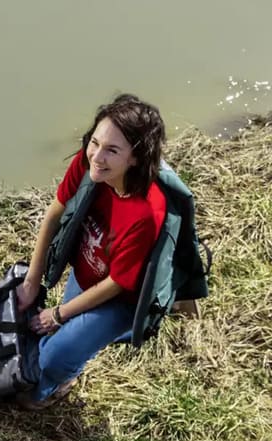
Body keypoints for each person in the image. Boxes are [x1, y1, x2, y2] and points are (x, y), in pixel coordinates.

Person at [15, 94, 166, 409]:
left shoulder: (146, 213)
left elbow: (117, 283)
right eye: (95, 143)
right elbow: (54, 214)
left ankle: (58, 383)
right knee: (60, 334)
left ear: (135, 159)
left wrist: (59, 313)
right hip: (88, 272)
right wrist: (32, 281)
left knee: (54, 357)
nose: (97, 156)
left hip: (122, 298)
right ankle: (74, 350)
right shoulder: (89, 165)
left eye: (112, 150)